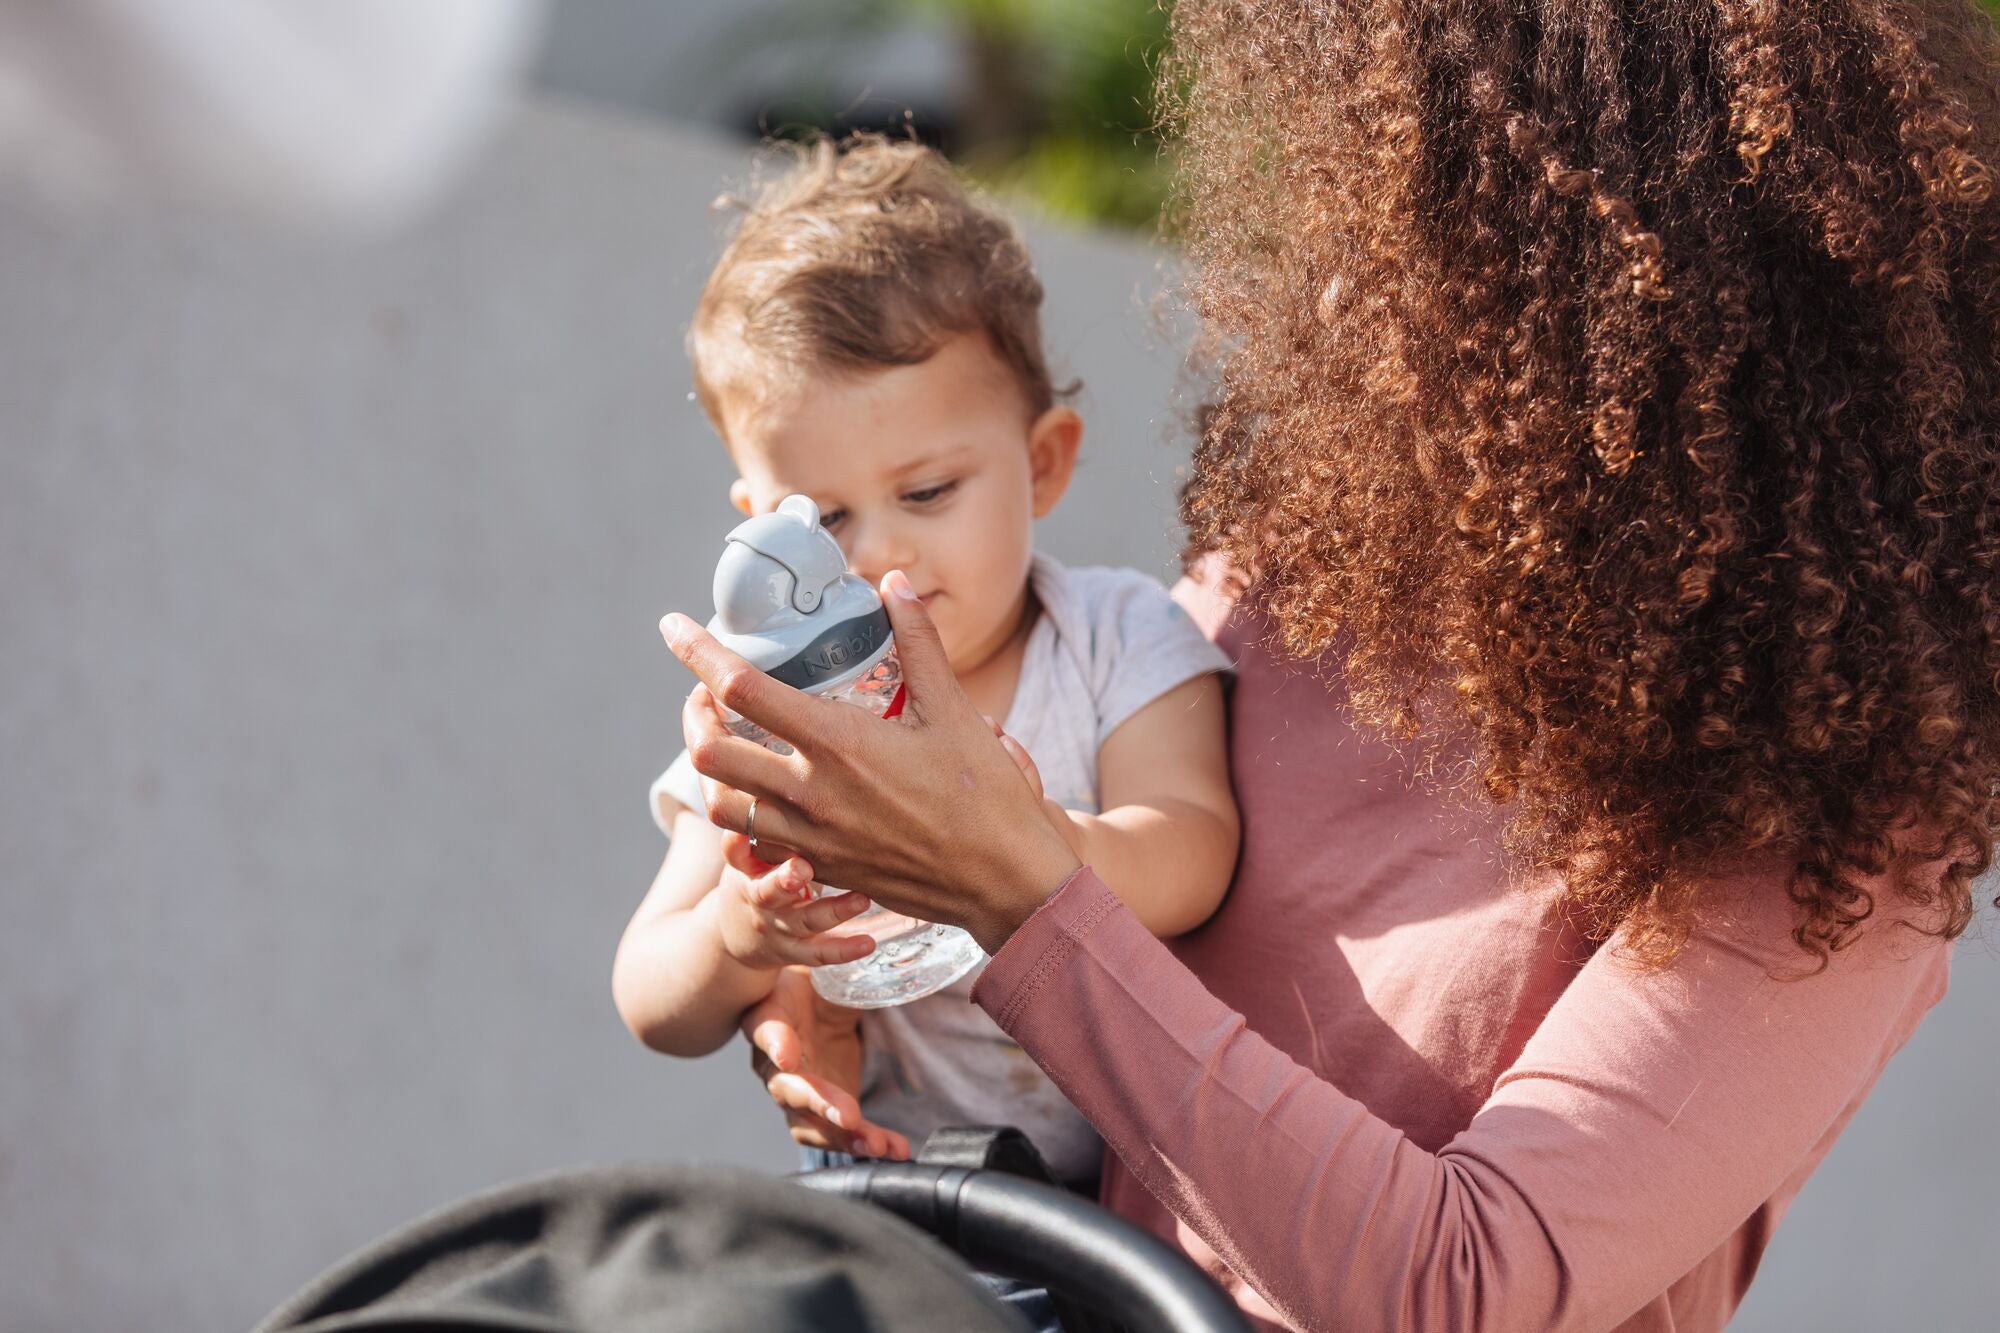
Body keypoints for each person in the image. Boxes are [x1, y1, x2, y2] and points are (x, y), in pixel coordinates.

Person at [661, 3, 2000, 1330]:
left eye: (1443, 244)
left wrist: (1008, 887)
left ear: (1673, 304)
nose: (1348, 290)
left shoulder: (1840, 823)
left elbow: (1461, 1283)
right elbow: (1042, 800)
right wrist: (806, 945)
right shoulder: (1307, 576)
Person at [614, 136, 1239, 1191]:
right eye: (822, 520)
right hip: (921, 1199)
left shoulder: (1113, 637)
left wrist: (1031, 841)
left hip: (1153, 1205)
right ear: (757, 529)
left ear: (1040, 462)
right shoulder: (774, 726)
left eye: (928, 492)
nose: (879, 553)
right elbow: (648, 996)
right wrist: (739, 936)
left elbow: (1197, 851)